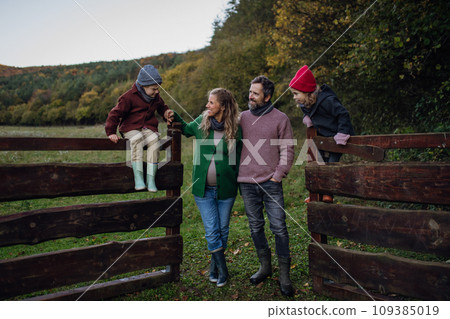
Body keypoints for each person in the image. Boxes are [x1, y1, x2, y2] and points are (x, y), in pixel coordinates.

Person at [169, 88, 242, 288]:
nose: (207, 106)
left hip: (226, 190)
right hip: (203, 190)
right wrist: (173, 115)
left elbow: (240, 158)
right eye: (208, 102)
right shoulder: (202, 123)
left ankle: (213, 268)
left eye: (211, 102)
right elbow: (184, 129)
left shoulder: (235, 128)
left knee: (223, 230)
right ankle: (224, 271)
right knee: (212, 230)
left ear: (223, 106)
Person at [238, 75, 295, 297]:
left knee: (279, 227)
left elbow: (287, 149)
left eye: (255, 93)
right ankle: (265, 266)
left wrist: (278, 175)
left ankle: (284, 275)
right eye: (250, 92)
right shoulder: (241, 118)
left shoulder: (281, 119)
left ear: (267, 96)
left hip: (271, 182)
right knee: (255, 227)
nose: (250, 96)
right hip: (246, 182)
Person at [289, 65, 355, 202]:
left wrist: (342, 133)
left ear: (307, 92)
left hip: (337, 138)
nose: (294, 97)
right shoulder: (305, 104)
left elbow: (343, 114)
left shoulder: (327, 100)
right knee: (318, 163)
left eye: (296, 94)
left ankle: (328, 193)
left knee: (331, 165)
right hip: (323, 138)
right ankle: (317, 193)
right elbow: (309, 112)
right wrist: (309, 119)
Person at [105, 65, 173, 192]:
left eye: (158, 89)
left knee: (154, 140)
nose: (157, 91)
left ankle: (151, 179)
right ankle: (139, 178)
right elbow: (114, 114)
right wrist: (111, 132)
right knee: (137, 139)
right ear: (143, 86)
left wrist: (166, 113)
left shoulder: (155, 97)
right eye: (154, 89)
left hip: (147, 127)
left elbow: (162, 107)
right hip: (130, 127)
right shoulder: (128, 97)